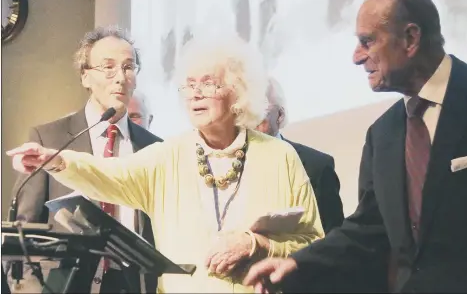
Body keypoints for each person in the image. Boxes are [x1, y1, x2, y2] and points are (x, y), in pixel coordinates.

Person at [7, 34, 325, 293]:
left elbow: (312, 242)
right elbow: (108, 174)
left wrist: (254, 243)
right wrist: (58, 159)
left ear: (236, 90)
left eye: (209, 83)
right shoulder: (168, 155)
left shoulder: (279, 156)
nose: (195, 94)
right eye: (189, 84)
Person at [244, 0, 467, 293]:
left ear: (410, 38)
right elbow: (368, 229)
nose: (356, 57)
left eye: (367, 41)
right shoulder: (383, 134)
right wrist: (298, 263)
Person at [7, 26, 161, 294]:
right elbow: (24, 234)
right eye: (108, 68)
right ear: (85, 76)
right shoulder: (49, 139)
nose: (120, 78)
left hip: (132, 285)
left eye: (128, 67)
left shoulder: (154, 147)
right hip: (60, 284)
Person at [256, 77, 344, 233]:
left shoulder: (316, 166)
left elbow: (333, 237)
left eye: (258, 112)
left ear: (280, 115)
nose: (248, 122)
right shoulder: (224, 165)